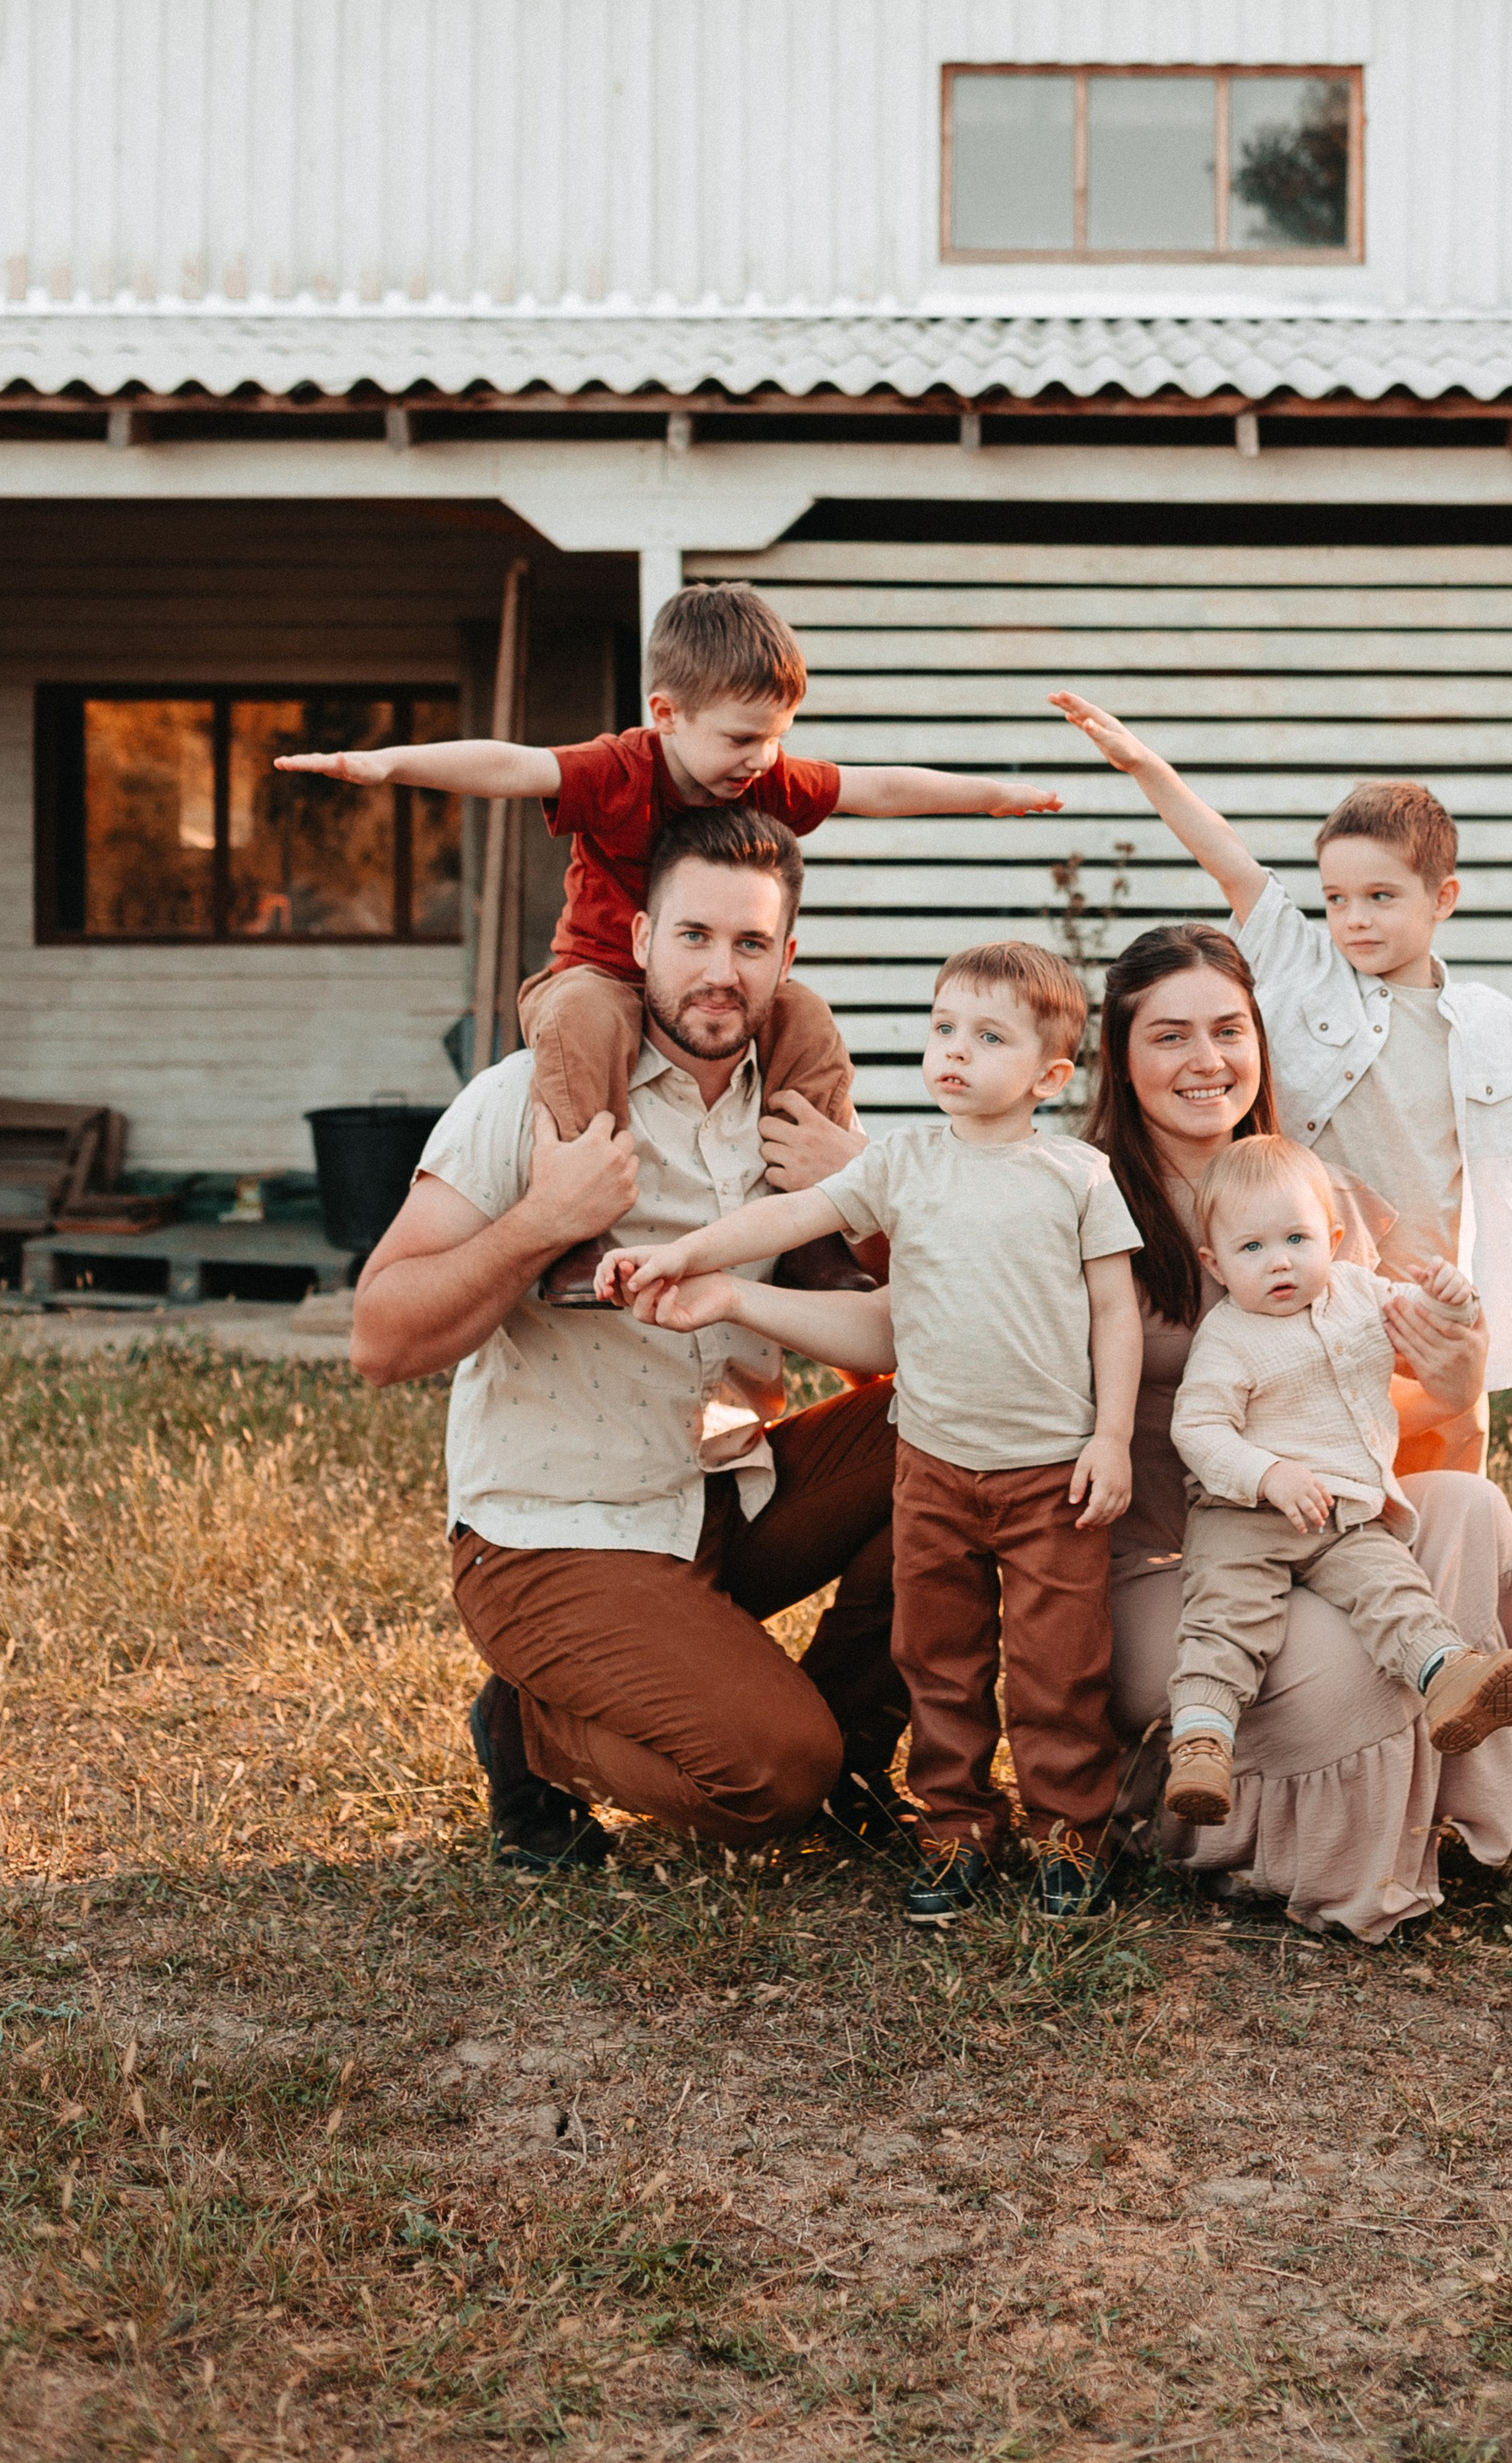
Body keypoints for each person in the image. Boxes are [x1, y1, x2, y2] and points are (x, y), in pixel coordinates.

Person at [351, 804, 902, 1870]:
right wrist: (541, 1224)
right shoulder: (527, 1101)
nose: (719, 971)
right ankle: (527, 1728)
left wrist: (859, 1199)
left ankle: (852, 1751)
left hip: (724, 1493)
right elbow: (380, 1337)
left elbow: (885, 1351)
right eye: (693, 937)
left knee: (955, 1432)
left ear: (785, 958)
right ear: (643, 941)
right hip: (557, 1530)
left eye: (749, 945)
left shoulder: (800, 1117)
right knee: (769, 1775)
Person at [282, 578, 1063, 1296]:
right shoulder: (619, 769)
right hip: (593, 976)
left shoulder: (768, 775)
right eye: (739, 738)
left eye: (775, 737)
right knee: (589, 1015)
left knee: (808, 1018)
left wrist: (993, 795)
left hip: (705, 995)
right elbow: (510, 766)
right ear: (666, 715)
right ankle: (574, 1241)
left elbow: (878, 785)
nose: (758, 759)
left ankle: (811, 1236)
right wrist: (384, 764)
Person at [597, 941, 1143, 1930]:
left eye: (987, 1038)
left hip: (1050, 1475)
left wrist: (1111, 1437)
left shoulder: (1077, 1176)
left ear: (1051, 1075)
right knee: (937, 1657)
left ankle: (1072, 1833)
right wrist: (683, 1253)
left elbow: (1116, 1315)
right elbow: (790, 1215)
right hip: (932, 1469)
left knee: (1061, 1665)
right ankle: (957, 1830)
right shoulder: (903, 1162)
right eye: (942, 1029)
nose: (954, 1053)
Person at [1054, 695, 1512, 1448]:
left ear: (1442, 899)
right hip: (1308, 1278)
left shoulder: (1488, 1024)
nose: (1354, 918)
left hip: (1429, 1297)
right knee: (1324, 1453)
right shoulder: (1305, 966)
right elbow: (1227, 855)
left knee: (1447, 1458)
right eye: (1337, 899)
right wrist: (1142, 764)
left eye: (1381, 897)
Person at [1089, 922, 1512, 1943]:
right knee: (1349, 1669)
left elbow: (1399, 1407)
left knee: (1465, 1507)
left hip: (1323, 1525)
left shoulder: (1315, 1195)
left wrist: (1450, 1370)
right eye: (1169, 1036)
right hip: (1169, 1561)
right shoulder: (1083, 1199)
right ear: (1121, 1053)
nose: (1205, 1061)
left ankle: (1443, 1819)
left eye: (1228, 1030)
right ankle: (1204, 1820)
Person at [1164, 1134, 1512, 1827]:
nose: (1279, 1260)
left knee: (1393, 1588)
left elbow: (1428, 1324)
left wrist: (1453, 1303)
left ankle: (1448, 1673)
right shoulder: (1228, 1337)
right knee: (1224, 1619)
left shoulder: (1360, 1293)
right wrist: (1267, 1472)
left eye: (1297, 1239)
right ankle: (1201, 1741)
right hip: (1242, 1513)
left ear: (1333, 1238)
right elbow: (1199, 1430)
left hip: (1346, 1514)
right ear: (1214, 1264)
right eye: (1251, 1249)